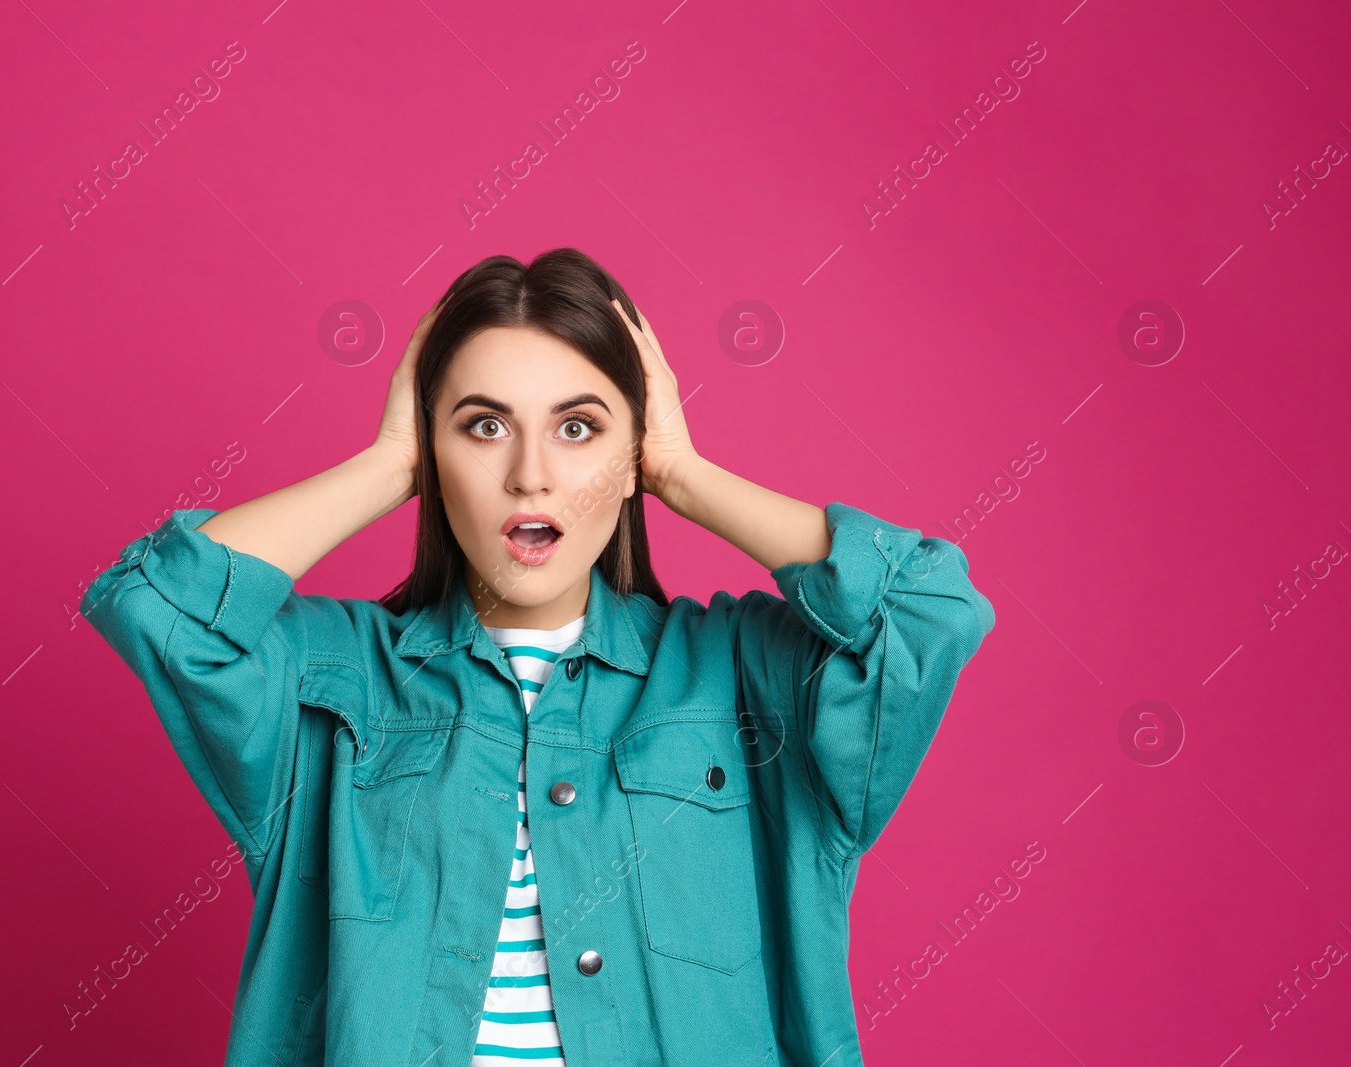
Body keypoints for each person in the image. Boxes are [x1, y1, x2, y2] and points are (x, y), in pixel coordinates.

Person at [81, 247, 996, 1066]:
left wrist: (681, 471)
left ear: (629, 449)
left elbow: (926, 611)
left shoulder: (744, 676)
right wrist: (387, 460)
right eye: (482, 426)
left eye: (578, 427)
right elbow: (160, 608)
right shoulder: (333, 686)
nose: (530, 474)